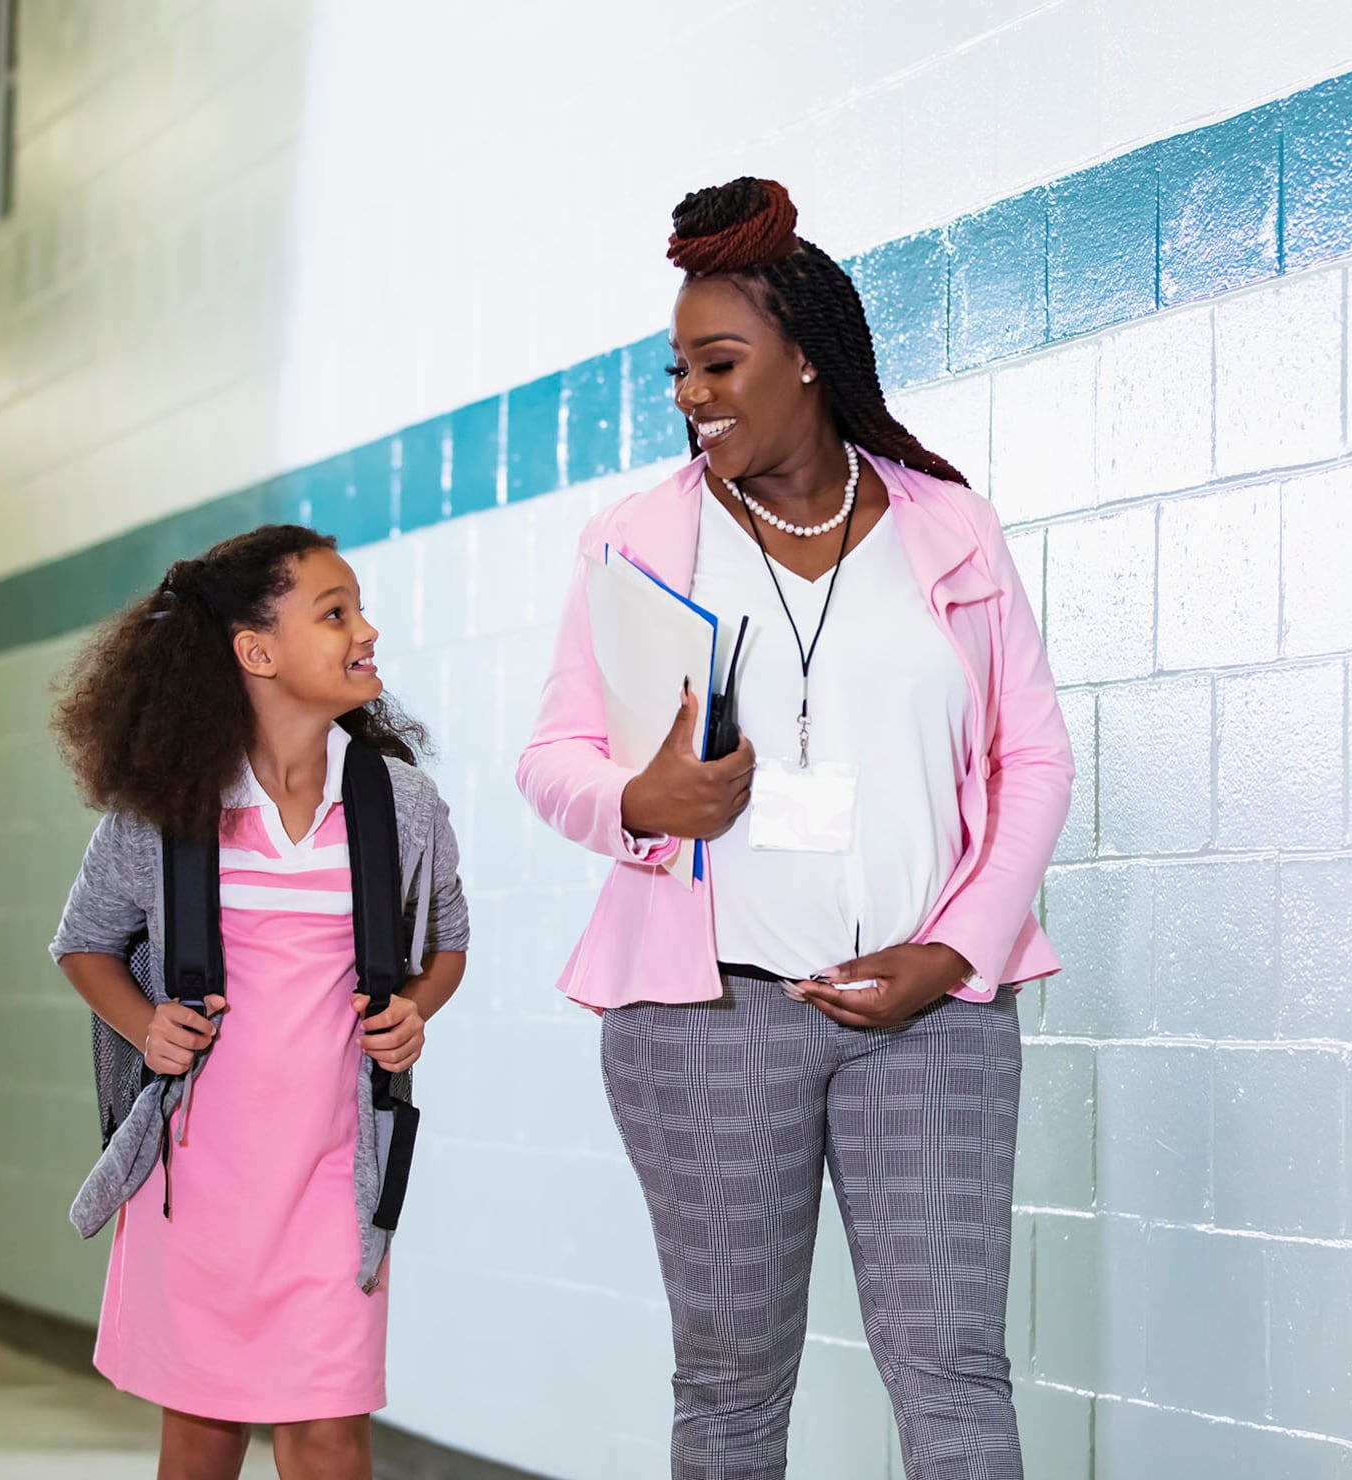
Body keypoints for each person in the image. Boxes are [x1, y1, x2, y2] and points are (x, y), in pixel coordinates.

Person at [517, 178, 1074, 1480]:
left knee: (952, 1367)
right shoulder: (636, 541)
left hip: (930, 1007)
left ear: (808, 360)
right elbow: (554, 759)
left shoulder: (951, 527)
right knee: (730, 1381)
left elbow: (1033, 755)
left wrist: (955, 956)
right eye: (679, 372)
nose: (693, 393)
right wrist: (637, 805)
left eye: (721, 362)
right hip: (707, 1018)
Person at [48, 524, 470, 1480]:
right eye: (336, 613)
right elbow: (84, 943)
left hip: (334, 1177)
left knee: (328, 1433)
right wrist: (145, 1023)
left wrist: (416, 1007)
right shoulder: (166, 806)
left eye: (357, 608)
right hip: (196, 1181)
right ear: (257, 650)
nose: (366, 629)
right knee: (202, 1435)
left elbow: (447, 943)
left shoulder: (402, 806)